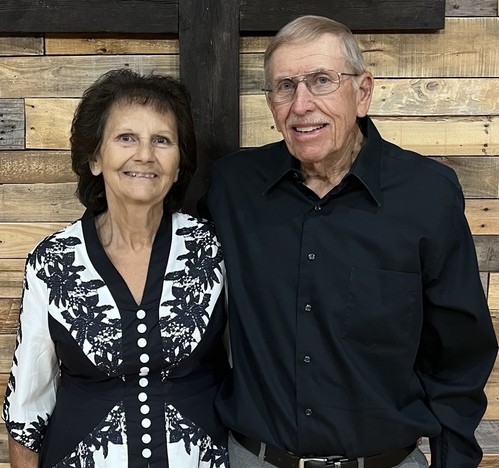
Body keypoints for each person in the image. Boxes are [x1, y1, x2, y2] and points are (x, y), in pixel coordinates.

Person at [202, 15, 498, 468]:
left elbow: (460, 354)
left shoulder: (427, 195)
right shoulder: (232, 188)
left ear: (362, 92)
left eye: (321, 81)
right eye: (284, 87)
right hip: (254, 458)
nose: (301, 104)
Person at [3, 68, 229, 467]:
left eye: (162, 140)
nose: (145, 155)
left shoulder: (212, 249)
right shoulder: (53, 261)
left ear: (179, 165)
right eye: (126, 138)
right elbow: (27, 408)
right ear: (95, 158)